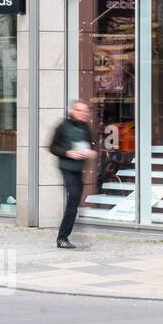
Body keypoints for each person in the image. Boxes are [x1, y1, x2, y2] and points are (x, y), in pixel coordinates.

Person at [48, 99, 95, 250]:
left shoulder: (86, 127)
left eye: (86, 112)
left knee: (74, 203)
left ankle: (63, 237)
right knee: (74, 199)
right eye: (80, 111)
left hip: (79, 169)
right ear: (72, 111)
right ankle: (62, 238)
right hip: (67, 168)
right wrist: (68, 153)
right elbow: (52, 147)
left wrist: (90, 152)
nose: (84, 114)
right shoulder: (62, 126)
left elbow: (91, 144)